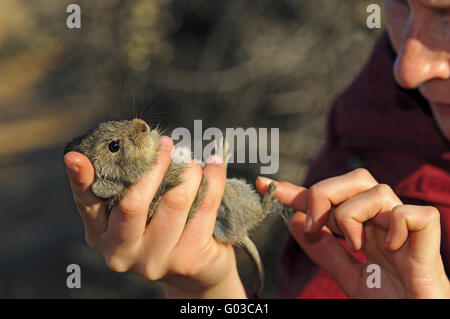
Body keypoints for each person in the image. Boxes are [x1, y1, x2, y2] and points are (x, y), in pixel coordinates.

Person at [64, 0, 450, 298]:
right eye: (399, 4)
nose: (408, 69)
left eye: (447, 15)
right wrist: (206, 284)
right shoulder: (365, 119)